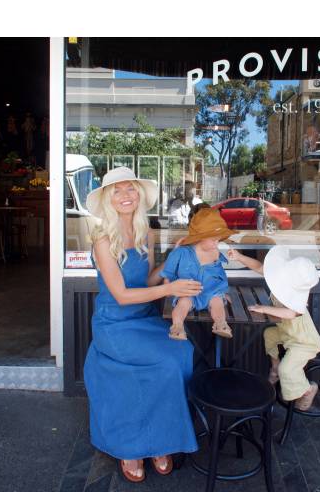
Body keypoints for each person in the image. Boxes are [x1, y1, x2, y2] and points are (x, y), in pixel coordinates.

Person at [83, 167, 201, 483]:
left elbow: (147, 279)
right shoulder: (102, 242)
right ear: (108, 199)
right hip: (114, 325)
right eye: (117, 191)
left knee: (180, 355)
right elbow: (121, 295)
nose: (125, 196)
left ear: (139, 195)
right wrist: (169, 289)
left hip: (144, 319)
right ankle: (131, 446)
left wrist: (172, 260)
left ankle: (160, 440)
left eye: (131, 189)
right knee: (164, 362)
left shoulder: (146, 234)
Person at [227, 245, 320, 410]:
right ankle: (275, 367)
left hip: (304, 342)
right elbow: (259, 267)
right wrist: (239, 257)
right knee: (269, 334)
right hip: (286, 333)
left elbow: (289, 314)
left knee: (288, 369)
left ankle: (307, 390)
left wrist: (263, 308)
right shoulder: (283, 278)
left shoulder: (296, 304)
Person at [160, 207, 234, 340]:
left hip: (211, 292)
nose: (216, 244)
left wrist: (223, 292)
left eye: (218, 240)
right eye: (213, 240)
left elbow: (220, 275)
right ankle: (177, 326)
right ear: (201, 238)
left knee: (217, 302)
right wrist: (167, 285)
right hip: (188, 291)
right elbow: (169, 269)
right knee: (183, 303)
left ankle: (220, 323)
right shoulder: (182, 252)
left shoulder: (215, 253)